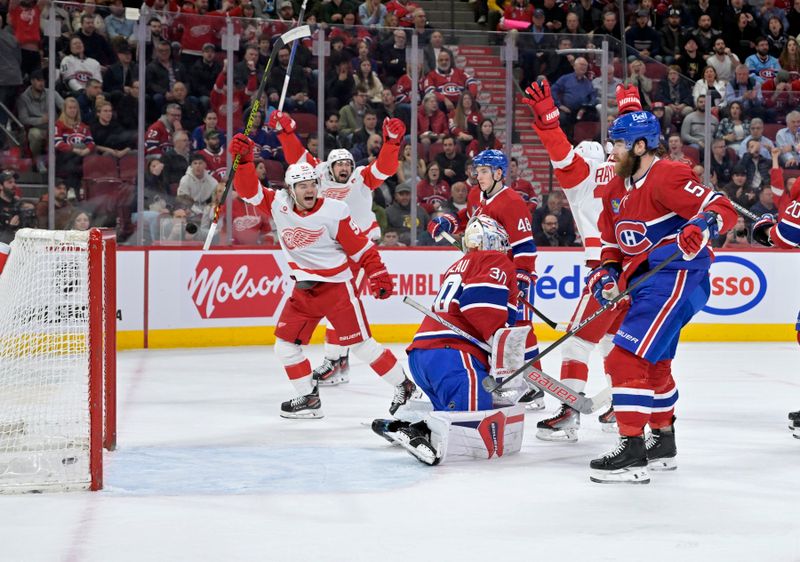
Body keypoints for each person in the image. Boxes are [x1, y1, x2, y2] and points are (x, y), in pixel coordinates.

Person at [586, 107, 736, 484]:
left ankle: (633, 451)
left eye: (618, 143)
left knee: (625, 357)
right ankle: (663, 443)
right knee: (654, 365)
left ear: (640, 145)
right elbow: (610, 243)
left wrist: (701, 225)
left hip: (679, 276)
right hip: (648, 284)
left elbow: (722, 208)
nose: (611, 150)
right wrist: (606, 271)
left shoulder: (667, 175)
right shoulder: (615, 191)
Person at [228, 135, 417, 418]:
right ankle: (308, 398)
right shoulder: (277, 203)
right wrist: (243, 162)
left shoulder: (334, 211)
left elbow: (362, 249)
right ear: (290, 190)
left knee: (361, 345)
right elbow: (247, 190)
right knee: (284, 347)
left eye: (313, 184)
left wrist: (378, 275)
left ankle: (404, 386)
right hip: (303, 292)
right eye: (302, 186)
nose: (309, 190)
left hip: (337, 290)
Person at [373, 216, 525, 465]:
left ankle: (404, 425)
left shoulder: (459, 265)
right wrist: (501, 346)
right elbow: (479, 307)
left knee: (456, 415)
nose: (504, 249)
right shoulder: (495, 260)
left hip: (423, 356)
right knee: (477, 426)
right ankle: (418, 431)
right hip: (454, 358)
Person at [269, 110, 407, 384]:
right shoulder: (316, 175)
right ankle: (338, 360)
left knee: (341, 306)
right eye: (339, 164)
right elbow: (296, 157)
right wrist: (285, 132)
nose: (344, 168)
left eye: (348, 163)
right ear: (329, 168)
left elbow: (386, 168)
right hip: (326, 250)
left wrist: (392, 143)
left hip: (355, 248)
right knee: (336, 307)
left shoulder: (360, 177)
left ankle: (336, 360)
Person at [427, 149, 544, 409]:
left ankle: (535, 386)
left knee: (520, 327)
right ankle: (503, 379)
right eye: (476, 170)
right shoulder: (474, 195)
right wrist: (446, 221)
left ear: (498, 173)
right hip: (485, 271)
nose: (477, 176)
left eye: (482, 171)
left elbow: (525, 246)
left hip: (512, 275)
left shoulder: (512, 202)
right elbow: (466, 220)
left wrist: (522, 278)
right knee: (492, 326)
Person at [55, 97, 95, 195]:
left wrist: (87, 150)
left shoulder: (84, 127)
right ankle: (72, 193)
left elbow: (91, 143)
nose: (73, 110)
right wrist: (74, 149)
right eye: (70, 108)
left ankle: (75, 193)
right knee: (72, 165)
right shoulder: (58, 125)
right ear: (65, 109)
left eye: (74, 108)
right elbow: (57, 143)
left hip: (81, 156)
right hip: (65, 158)